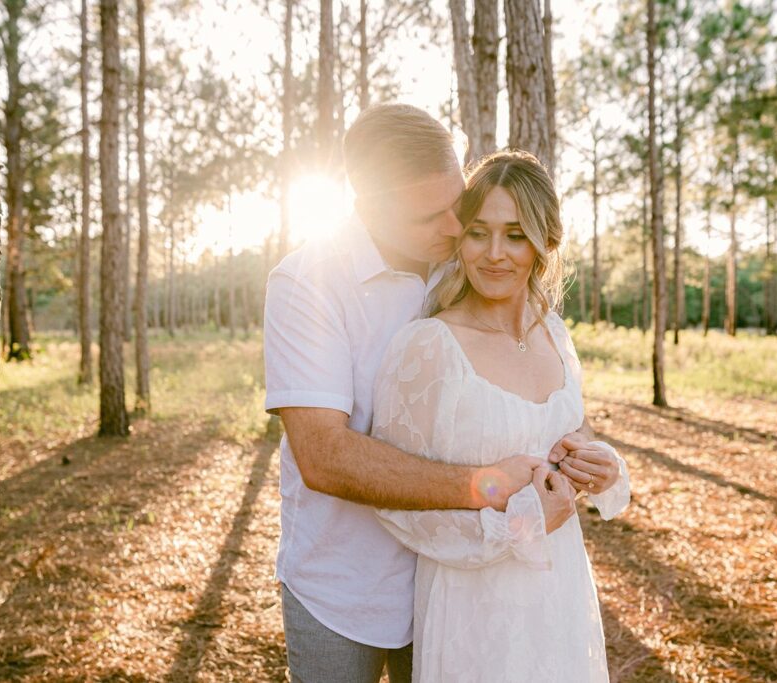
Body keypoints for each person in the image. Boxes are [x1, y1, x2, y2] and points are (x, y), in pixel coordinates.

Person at [263, 105, 623, 682]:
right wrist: (486, 488)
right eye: (432, 216)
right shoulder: (309, 283)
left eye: (457, 203)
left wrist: (575, 459)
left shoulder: (466, 258)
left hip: (457, 587)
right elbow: (323, 456)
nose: (458, 229)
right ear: (369, 207)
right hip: (344, 586)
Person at [371, 150, 631, 682]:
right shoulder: (429, 346)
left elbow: (570, 433)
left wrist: (599, 465)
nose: (494, 253)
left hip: (557, 596)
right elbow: (394, 501)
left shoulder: (552, 333)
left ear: (544, 243)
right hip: (473, 608)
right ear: (458, 239)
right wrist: (516, 524)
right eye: (477, 232)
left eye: (515, 234)